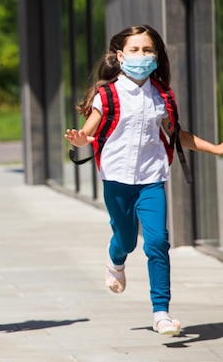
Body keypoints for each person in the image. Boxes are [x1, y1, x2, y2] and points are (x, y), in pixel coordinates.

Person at [64, 24, 223, 336]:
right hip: (116, 179)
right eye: (134, 50)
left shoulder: (161, 93)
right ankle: (115, 259)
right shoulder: (107, 94)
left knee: (157, 243)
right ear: (121, 56)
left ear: (156, 55)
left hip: (152, 178)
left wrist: (215, 148)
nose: (141, 55)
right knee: (125, 239)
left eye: (147, 50)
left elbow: (178, 135)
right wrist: (81, 139)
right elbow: (89, 131)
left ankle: (161, 312)